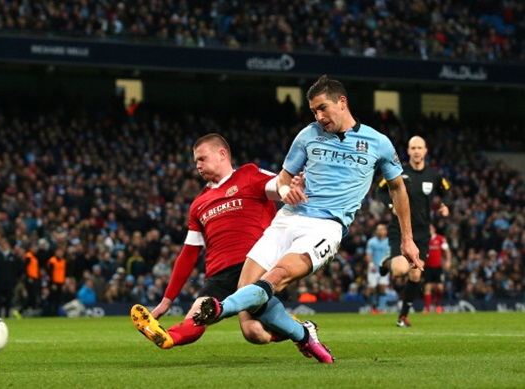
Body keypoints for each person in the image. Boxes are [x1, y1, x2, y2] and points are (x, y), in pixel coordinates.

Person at [192, 75, 420, 357]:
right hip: (288, 218)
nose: (318, 116)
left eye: (322, 108)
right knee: (251, 321)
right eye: (314, 111)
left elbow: (398, 187)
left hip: (326, 227)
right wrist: (287, 190)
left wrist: (407, 239)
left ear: (342, 102)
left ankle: (220, 307)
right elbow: (284, 179)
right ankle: (303, 334)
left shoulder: (378, 143)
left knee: (277, 276)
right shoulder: (307, 135)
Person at [130, 133, 327, 361]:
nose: (198, 165)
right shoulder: (199, 203)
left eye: (202, 158)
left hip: (254, 265)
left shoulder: (249, 175)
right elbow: (189, 253)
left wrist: (292, 187)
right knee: (210, 321)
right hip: (219, 276)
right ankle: (167, 338)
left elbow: (280, 187)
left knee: (252, 332)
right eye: (195, 161)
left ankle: (296, 329)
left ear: (222, 154)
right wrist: (166, 300)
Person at [377, 135, 451, 327]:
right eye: (413, 148)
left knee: (416, 274)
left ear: (425, 150)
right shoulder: (399, 173)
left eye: (420, 147)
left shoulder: (434, 175)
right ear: (408, 151)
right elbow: (380, 190)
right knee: (401, 270)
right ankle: (388, 262)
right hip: (400, 229)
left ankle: (403, 316)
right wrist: (390, 206)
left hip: (423, 231)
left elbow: (447, 191)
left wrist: (445, 205)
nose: (417, 151)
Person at [423, 224, 452, 313]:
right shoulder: (424, 239)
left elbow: (446, 251)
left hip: (438, 267)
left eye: (431, 228)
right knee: (427, 286)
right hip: (427, 266)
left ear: (434, 229)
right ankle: (427, 308)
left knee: (440, 288)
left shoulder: (440, 239)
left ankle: (437, 303)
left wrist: (448, 261)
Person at [365, 224, 390, 314]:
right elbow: (368, 254)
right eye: (379, 229)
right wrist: (370, 264)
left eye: (382, 229)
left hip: (384, 268)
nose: (380, 231)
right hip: (373, 268)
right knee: (372, 288)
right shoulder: (371, 242)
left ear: (385, 231)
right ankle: (374, 307)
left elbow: (390, 255)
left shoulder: (389, 242)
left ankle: (382, 308)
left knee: (383, 287)